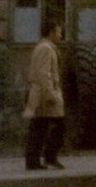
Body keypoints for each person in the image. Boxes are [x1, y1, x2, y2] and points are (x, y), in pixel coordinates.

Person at [23, 19, 66, 170]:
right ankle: (44, 158)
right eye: (59, 32)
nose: (61, 35)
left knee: (40, 127)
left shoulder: (45, 47)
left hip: (43, 92)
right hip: (45, 94)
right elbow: (44, 74)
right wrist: (51, 95)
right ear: (51, 33)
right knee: (53, 126)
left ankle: (38, 159)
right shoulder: (45, 48)